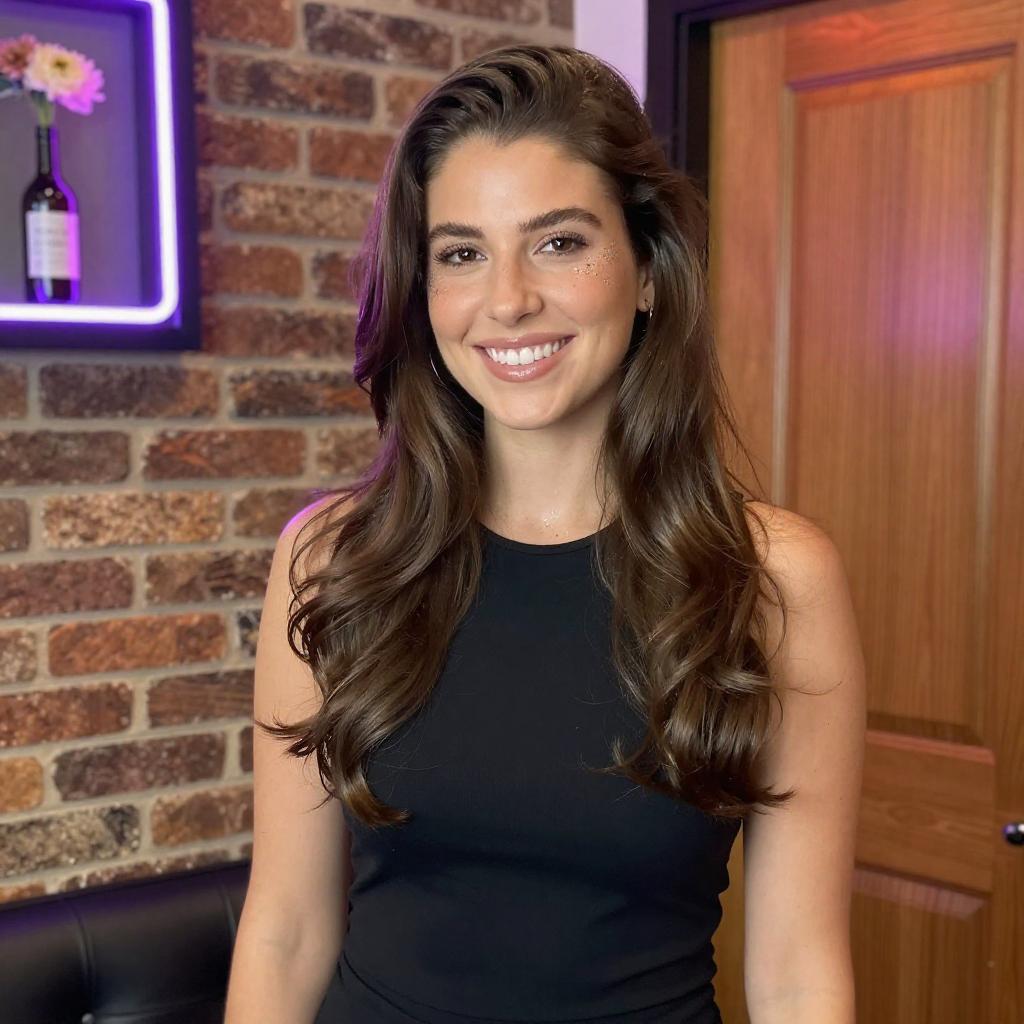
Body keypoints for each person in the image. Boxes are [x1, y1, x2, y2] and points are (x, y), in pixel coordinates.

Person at [223, 44, 866, 1024]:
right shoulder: (333, 561)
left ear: (647, 270)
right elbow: (285, 930)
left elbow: (797, 977)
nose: (508, 298)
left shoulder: (770, 577)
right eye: (462, 252)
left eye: (559, 242)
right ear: (424, 287)